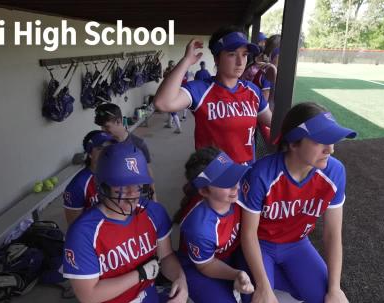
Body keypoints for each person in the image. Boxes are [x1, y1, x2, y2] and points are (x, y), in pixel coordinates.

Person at [237, 102, 357, 303]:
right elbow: (248, 234)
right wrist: (263, 287)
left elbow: (333, 235)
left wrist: (335, 288)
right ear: (293, 143)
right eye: (321, 141)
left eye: (333, 141)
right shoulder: (262, 173)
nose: (331, 149)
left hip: (297, 245)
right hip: (261, 246)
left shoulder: (334, 171)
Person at [63, 142, 188, 303]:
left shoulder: (153, 212)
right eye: (123, 186)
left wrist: (180, 277)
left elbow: (166, 256)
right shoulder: (84, 231)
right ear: (104, 186)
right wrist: (139, 274)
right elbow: (88, 295)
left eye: (138, 185)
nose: (133, 194)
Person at [153, 26, 272, 165]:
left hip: (245, 173)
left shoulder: (253, 91)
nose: (240, 62)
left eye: (244, 54)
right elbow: (162, 103)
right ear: (216, 58)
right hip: (212, 177)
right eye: (232, 54)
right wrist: (186, 61)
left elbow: (273, 122)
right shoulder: (201, 89)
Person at [177, 147, 253, 303]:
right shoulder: (199, 225)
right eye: (224, 182)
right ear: (203, 191)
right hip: (199, 269)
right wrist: (235, 274)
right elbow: (206, 265)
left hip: (228, 256)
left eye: (234, 176)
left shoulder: (238, 196)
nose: (235, 185)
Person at [94, 103, 157, 198]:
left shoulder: (138, 144)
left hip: (136, 194)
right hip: (113, 198)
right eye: (101, 127)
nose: (103, 130)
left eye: (106, 126)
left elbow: (147, 170)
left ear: (118, 121)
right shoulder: (103, 146)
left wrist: (153, 194)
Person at [63, 130, 115, 226]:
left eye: (109, 147)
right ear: (90, 154)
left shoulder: (118, 173)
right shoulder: (78, 186)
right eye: (100, 148)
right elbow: (74, 226)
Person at [163, 60, 184, 133]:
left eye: (170, 65)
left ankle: (179, 128)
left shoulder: (172, 72)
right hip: (174, 92)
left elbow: (165, 77)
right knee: (170, 109)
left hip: (171, 93)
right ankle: (169, 123)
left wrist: (166, 72)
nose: (170, 66)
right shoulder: (176, 71)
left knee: (173, 111)